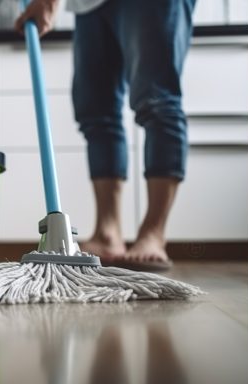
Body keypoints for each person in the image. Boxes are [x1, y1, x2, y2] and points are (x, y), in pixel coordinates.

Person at [15, 0, 196, 271]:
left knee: (157, 102)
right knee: (97, 113)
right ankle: (107, 232)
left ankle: (153, 233)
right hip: (89, 5)